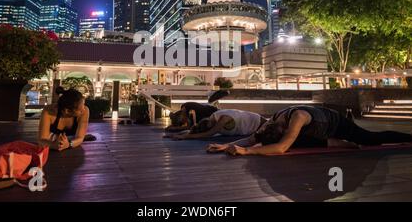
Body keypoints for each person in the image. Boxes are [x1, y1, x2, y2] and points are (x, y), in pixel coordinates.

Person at [207, 105, 412, 156]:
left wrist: (247, 152)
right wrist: (227, 145)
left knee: (370, 139)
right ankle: (339, 144)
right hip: (316, 133)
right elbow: (252, 138)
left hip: (336, 124)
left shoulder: (297, 117)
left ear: (282, 129)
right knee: (294, 142)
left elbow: (280, 148)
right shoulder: (272, 121)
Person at [38, 87, 91, 152]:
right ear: (67, 111)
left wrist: (69, 144)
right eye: (80, 110)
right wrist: (54, 145)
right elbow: (41, 140)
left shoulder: (85, 111)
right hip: (53, 144)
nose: (83, 109)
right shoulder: (49, 111)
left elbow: (80, 138)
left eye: (84, 104)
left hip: (74, 149)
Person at [170, 109, 266, 140]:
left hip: (259, 123)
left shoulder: (222, 118)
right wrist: (179, 134)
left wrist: (185, 137)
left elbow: (208, 134)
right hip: (253, 130)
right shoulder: (213, 120)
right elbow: (196, 129)